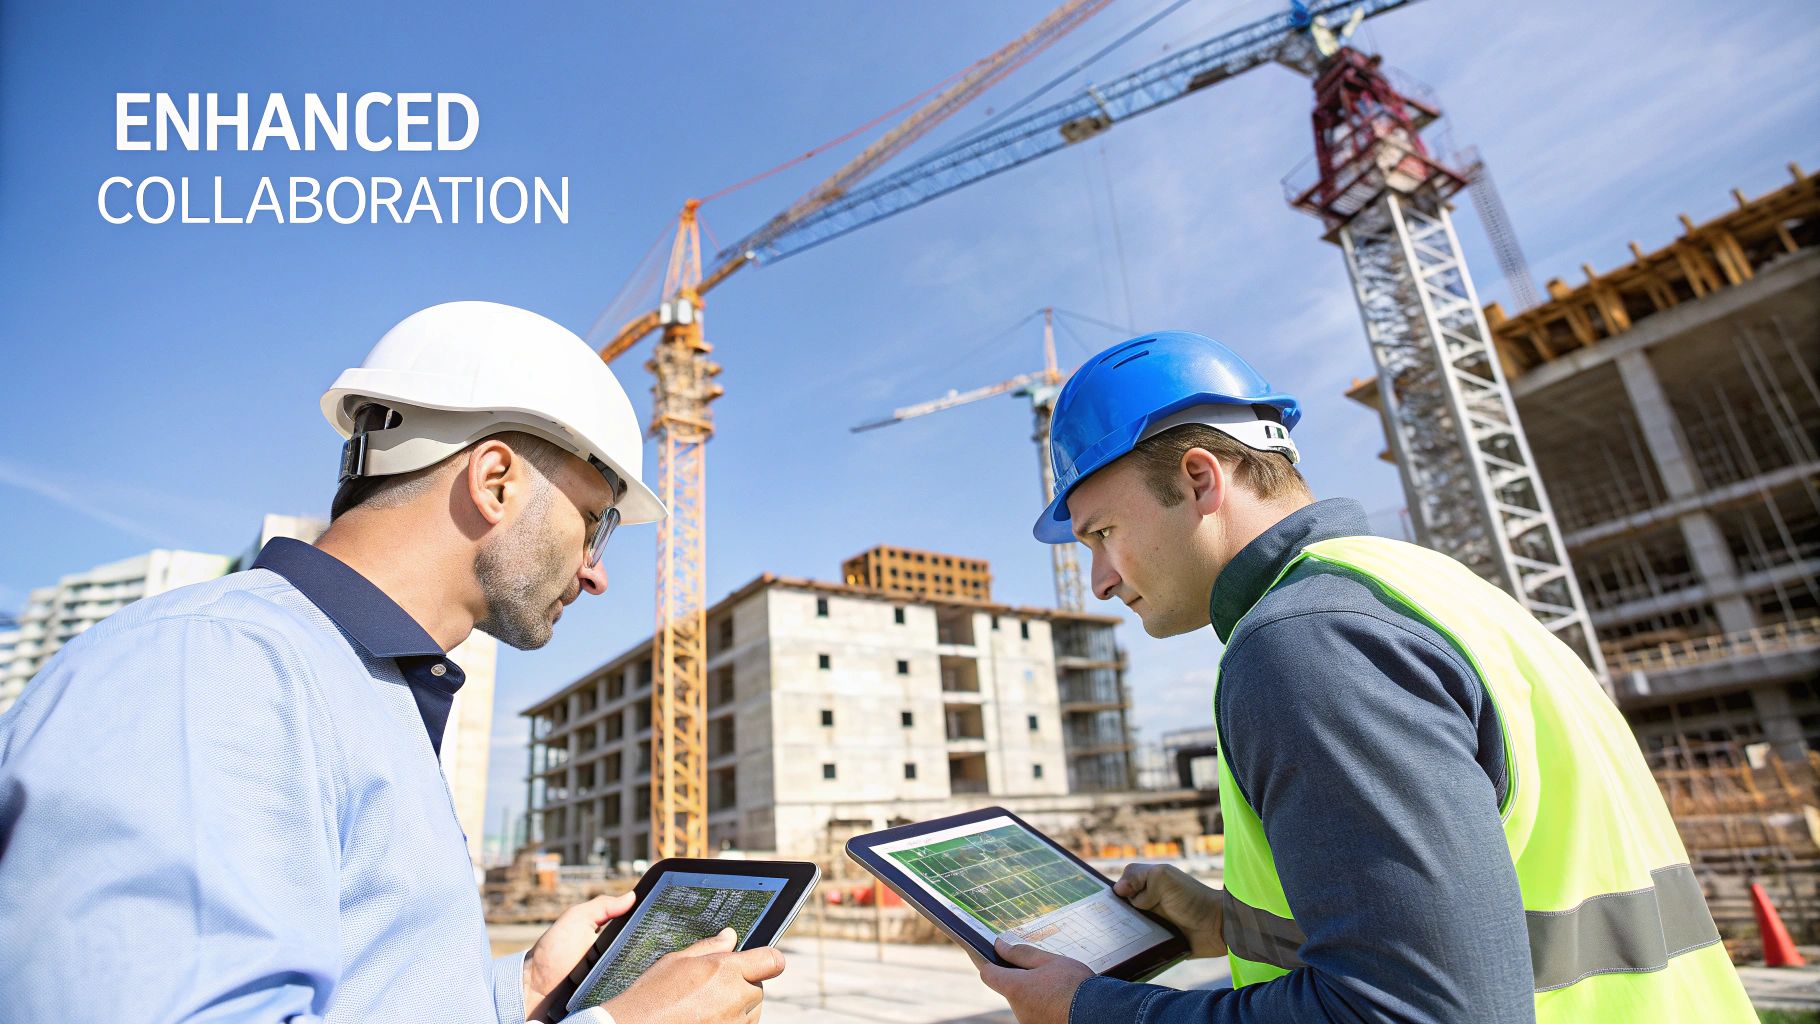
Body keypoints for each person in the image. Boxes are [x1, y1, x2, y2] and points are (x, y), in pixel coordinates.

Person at [0, 301, 784, 1024]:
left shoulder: (360, 691)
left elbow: (368, 996)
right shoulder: (212, 668)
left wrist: (526, 991)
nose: (595, 571)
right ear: (496, 481)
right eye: (592, 522)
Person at [977, 331, 1754, 1023]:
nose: (1102, 580)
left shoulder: (1307, 642)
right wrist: (1226, 922)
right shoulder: (1431, 589)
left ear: (1200, 479)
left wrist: (1094, 1011)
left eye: (1103, 534)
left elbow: (1413, 1011)